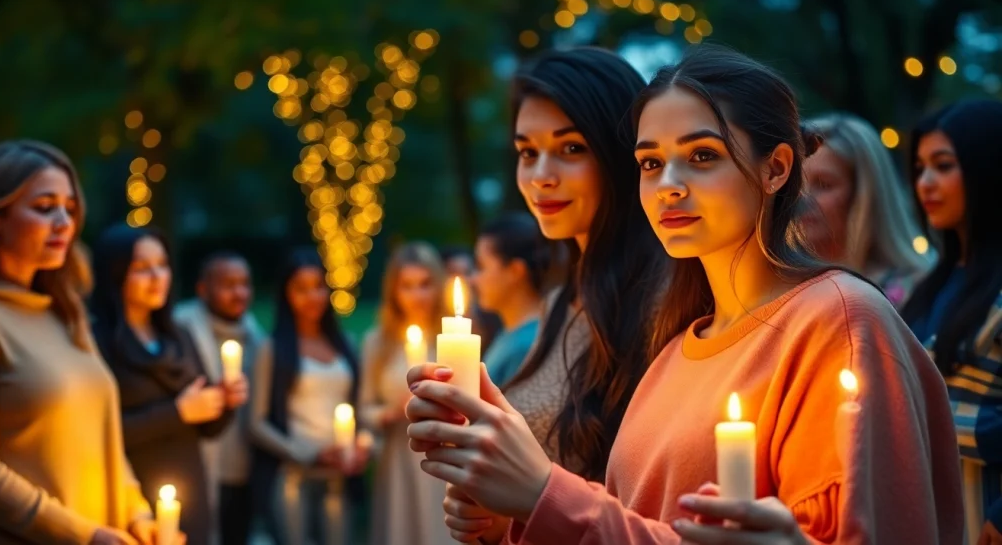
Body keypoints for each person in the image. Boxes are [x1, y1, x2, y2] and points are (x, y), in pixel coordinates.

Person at [406, 45, 963, 544]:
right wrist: (519, 522)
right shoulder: (676, 346)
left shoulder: (838, 322)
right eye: (650, 162)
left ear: (775, 168)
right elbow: (630, 523)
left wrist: (544, 492)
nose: (669, 183)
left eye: (702, 156)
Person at [429, 46, 669, 544]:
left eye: (571, 148)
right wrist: (505, 518)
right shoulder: (562, 296)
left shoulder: (667, 303)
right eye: (526, 152)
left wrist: (531, 499)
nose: (541, 176)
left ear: (623, 155)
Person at [0, 140, 168, 544]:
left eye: (69, 207)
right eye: (45, 207)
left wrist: (138, 513)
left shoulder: (66, 314)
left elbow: (105, 442)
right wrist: (83, 535)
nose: (64, 221)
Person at [90, 224, 249, 545]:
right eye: (142, 268)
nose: (157, 276)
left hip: (190, 493)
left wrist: (224, 401)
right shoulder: (96, 343)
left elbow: (207, 428)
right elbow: (99, 434)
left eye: (162, 265)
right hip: (136, 499)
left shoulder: (177, 335)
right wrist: (177, 412)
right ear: (115, 273)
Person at [900, 99, 1002, 545]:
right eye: (920, 168)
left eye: (943, 166)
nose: (925, 183)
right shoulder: (931, 283)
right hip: (931, 514)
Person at [248, 247, 366, 545]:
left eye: (318, 287)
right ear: (286, 293)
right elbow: (255, 423)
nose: (312, 297)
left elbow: (359, 410)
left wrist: (361, 445)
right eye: (301, 289)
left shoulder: (345, 344)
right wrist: (306, 452)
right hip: (293, 474)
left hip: (338, 475)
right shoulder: (272, 349)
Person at [360, 242, 454, 545]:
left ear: (438, 285)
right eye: (407, 286)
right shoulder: (378, 342)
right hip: (399, 453)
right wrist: (388, 412)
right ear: (394, 291)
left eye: (425, 284)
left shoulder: (454, 338)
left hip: (446, 454)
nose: (417, 295)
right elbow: (364, 407)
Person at [173, 251, 266, 545]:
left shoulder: (254, 334)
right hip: (197, 465)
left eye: (244, 284)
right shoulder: (181, 328)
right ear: (203, 288)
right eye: (228, 284)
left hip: (243, 465)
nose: (239, 292)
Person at [802, 113, 934, 306]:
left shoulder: (917, 291)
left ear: (865, 195)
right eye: (794, 183)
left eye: (824, 184)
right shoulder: (770, 288)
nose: (801, 198)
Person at [471, 213, 551, 385]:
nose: (473, 279)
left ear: (515, 271)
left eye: (481, 267)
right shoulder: (510, 332)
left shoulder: (529, 345)